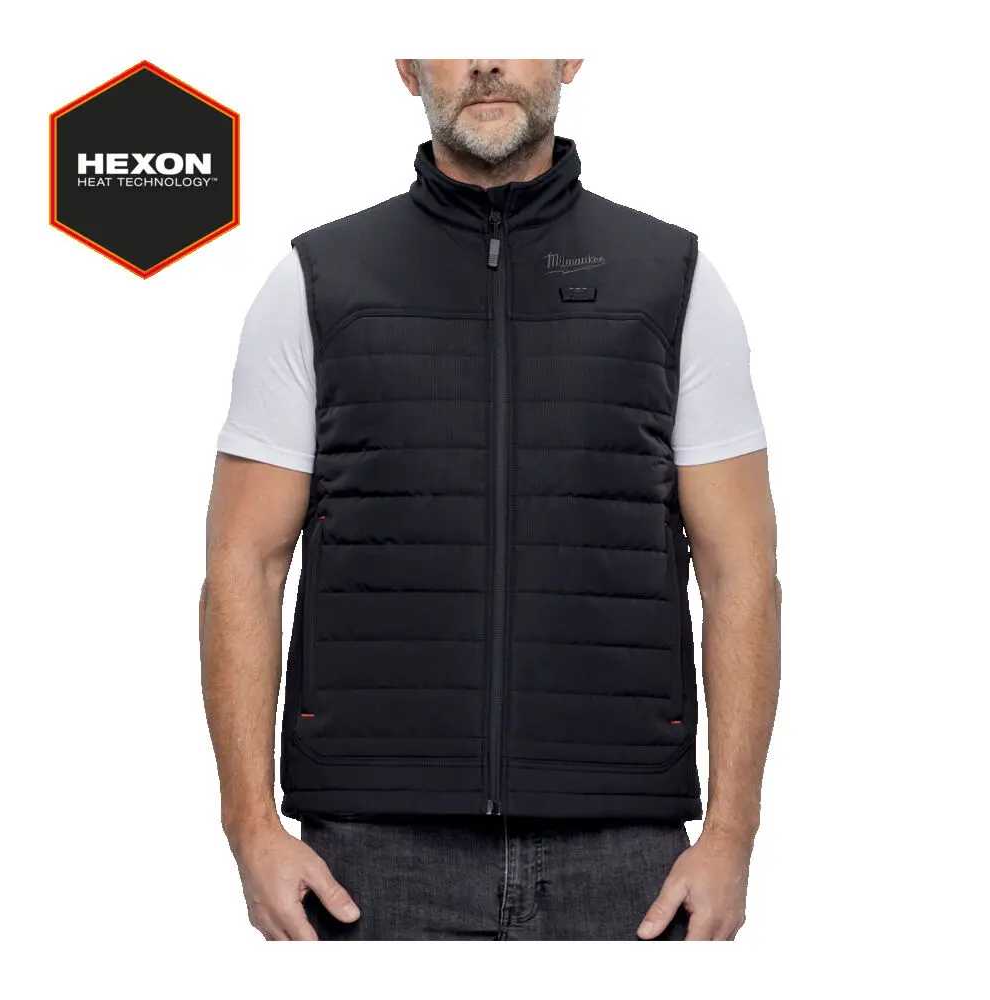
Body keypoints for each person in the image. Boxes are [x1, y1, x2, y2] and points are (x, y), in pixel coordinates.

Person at [200, 58, 781, 941]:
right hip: (372, 852)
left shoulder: (674, 280)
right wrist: (249, 827)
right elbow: (244, 561)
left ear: (570, 55)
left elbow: (741, 571)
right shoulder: (317, 282)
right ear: (406, 67)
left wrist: (732, 837)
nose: (486, 61)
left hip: (625, 854)